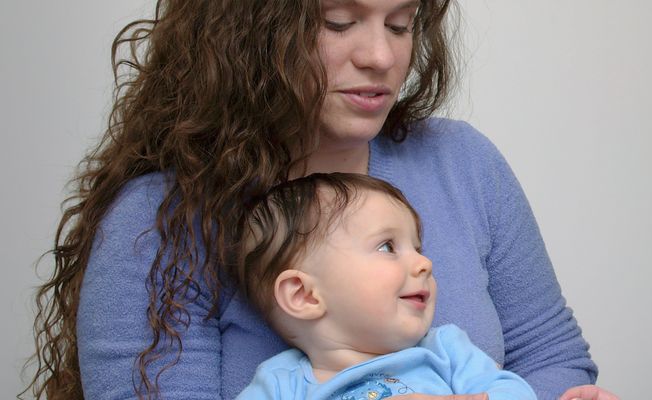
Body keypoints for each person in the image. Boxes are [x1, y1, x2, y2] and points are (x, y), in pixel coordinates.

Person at [27, 0, 617, 399]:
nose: (381, 58)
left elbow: (552, 359)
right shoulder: (158, 223)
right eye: (338, 22)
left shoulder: (464, 163)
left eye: (400, 23)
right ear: (249, 30)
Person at [232, 173, 535, 400]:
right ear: (304, 295)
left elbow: (515, 392)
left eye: (418, 248)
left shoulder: (446, 351)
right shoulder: (280, 384)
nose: (424, 264)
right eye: (388, 247)